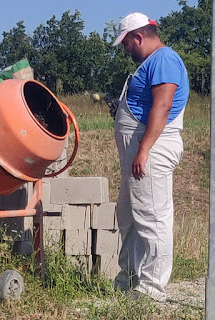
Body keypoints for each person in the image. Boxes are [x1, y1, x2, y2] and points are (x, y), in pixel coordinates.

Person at [110, 12, 190, 302]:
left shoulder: (164, 60)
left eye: (126, 44)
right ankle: (129, 277)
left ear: (138, 37)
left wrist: (143, 149)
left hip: (152, 151)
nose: (125, 49)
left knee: (152, 217)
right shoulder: (151, 63)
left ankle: (152, 288)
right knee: (131, 216)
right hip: (142, 151)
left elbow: (164, 105)